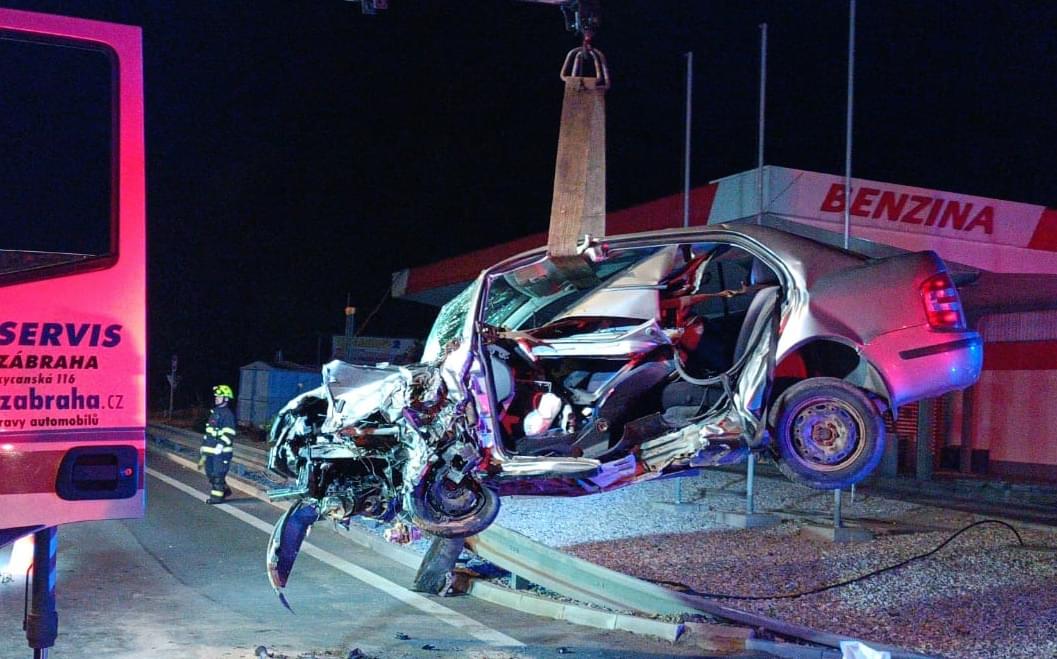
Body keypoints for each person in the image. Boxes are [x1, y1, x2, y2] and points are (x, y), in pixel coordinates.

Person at [198, 384, 236, 504]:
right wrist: (203, 446)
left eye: (219, 397)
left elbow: (229, 432)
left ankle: (217, 498)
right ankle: (225, 490)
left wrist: (221, 445)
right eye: (216, 397)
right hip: (210, 451)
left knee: (218, 475)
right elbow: (209, 432)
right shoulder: (215, 412)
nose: (216, 398)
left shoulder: (227, 414)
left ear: (226, 399)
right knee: (210, 474)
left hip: (221, 453)